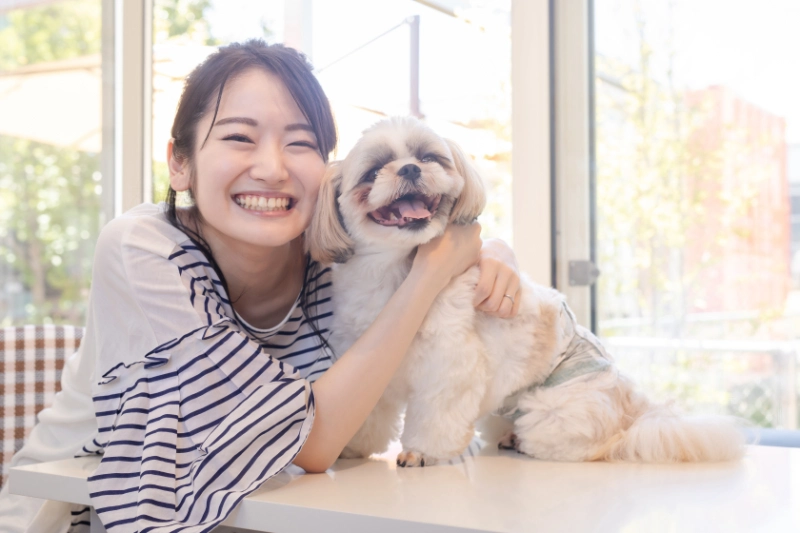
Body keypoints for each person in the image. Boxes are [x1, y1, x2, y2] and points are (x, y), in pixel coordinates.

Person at [0, 39, 522, 532]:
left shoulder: (334, 253)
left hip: (263, 506)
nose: (272, 169)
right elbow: (311, 442)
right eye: (238, 138)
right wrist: (431, 274)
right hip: (90, 510)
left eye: (300, 143)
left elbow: (453, 244)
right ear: (180, 163)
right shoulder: (143, 250)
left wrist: (493, 251)